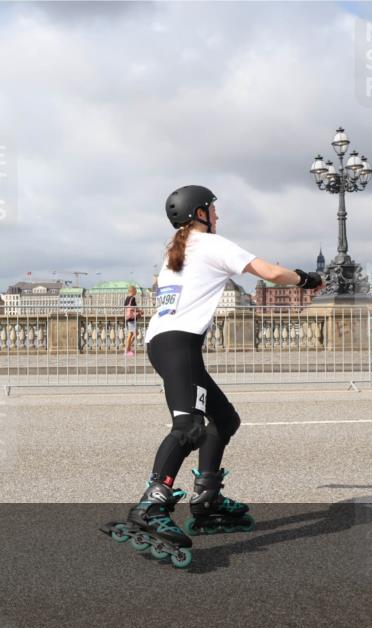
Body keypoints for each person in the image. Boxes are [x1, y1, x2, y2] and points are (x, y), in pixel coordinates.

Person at [127, 185, 322, 549]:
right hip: (179, 344)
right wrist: (305, 279)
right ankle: (152, 506)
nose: (217, 216)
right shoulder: (212, 244)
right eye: (213, 210)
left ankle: (207, 497)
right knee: (188, 428)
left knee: (225, 420)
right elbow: (268, 272)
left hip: (166, 343)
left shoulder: (177, 251)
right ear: (199, 213)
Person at [123, 285, 142, 357]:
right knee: (131, 334)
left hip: (127, 318)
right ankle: (127, 350)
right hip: (131, 318)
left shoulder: (127, 298)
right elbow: (135, 308)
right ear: (133, 291)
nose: (136, 292)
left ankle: (128, 348)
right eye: (136, 290)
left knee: (135, 333)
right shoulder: (132, 298)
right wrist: (140, 311)